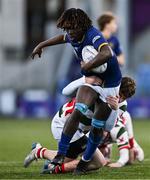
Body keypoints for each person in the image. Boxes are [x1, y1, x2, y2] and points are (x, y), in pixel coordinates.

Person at [31, 8, 122, 174]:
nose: (69, 32)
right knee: (78, 110)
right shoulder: (73, 34)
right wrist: (41, 45)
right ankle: (60, 153)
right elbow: (61, 38)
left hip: (109, 84)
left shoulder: (92, 34)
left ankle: (84, 162)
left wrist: (87, 66)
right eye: (67, 29)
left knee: (98, 126)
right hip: (91, 80)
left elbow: (107, 52)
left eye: (72, 28)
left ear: (82, 26)